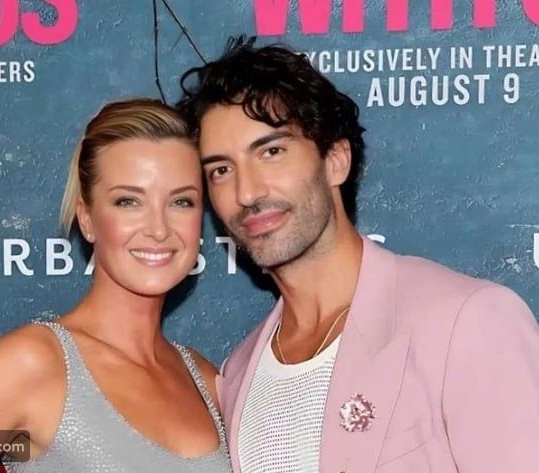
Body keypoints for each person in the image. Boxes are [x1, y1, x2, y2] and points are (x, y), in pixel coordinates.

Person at [177, 37, 539, 473]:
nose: (247, 191)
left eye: (271, 152)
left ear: (335, 160)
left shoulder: (467, 322)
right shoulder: (238, 373)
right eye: (221, 170)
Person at [0, 99, 231, 473]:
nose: (158, 228)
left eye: (181, 202)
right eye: (128, 201)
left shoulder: (204, 380)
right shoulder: (33, 366)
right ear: (86, 218)